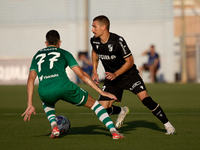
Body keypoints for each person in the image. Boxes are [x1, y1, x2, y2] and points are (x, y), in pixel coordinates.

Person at [21, 30, 125, 139]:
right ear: (59, 43)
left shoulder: (37, 55)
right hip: (65, 86)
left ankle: (54, 126)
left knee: (46, 101)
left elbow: (30, 79)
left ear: (46, 43)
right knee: (95, 105)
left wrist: (30, 104)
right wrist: (101, 91)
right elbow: (82, 75)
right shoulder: (64, 53)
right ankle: (114, 131)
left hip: (45, 90)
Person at [90, 15, 176, 134]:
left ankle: (168, 126)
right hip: (112, 78)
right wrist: (95, 70)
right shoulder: (94, 40)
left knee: (145, 99)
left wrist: (116, 73)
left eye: (94, 26)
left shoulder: (117, 41)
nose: (92, 29)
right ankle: (121, 111)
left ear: (104, 27)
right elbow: (95, 51)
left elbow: (130, 61)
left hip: (129, 75)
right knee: (102, 109)